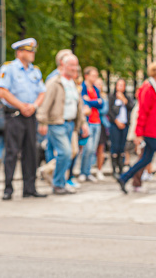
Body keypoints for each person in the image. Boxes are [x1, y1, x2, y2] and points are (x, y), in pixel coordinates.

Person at [116, 62, 156, 195]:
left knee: (146, 159)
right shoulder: (148, 88)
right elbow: (142, 112)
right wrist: (138, 133)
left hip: (154, 128)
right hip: (150, 130)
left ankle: (123, 178)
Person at [0, 38, 47, 200]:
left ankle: (29, 188)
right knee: (11, 152)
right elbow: (3, 92)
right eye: (29, 51)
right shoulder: (9, 68)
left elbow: (42, 92)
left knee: (31, 152)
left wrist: (33, 106)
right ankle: (8, 188)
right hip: (14, 115)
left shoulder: (35, 71)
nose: (32, 54)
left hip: (30, 115)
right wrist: (21, 106)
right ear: (20, 52)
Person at [37, 54, 89, 194]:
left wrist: (83, 123)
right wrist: (42, 122)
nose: (74, 68)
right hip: (57, 123)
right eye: (71, 65)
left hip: (71, 124)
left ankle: (52, 174)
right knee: (64, 152)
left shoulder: (73, 83)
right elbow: (46, 103)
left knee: (72, 152)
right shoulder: (54, 82)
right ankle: (58, 184)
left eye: (76, 65)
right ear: (63, 65)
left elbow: (78, 105)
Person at [79, 66, 103, 183]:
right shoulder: (82, 87)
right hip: (87, 121)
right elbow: (83, 102)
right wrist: (94, 101)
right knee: (87, 148)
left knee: (93, 149)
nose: (95, 78)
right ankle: (83, 172)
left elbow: (100, 104)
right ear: (87, 76)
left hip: (96, 121)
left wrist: (90, 101)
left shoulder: (95, 89)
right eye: (93, 75)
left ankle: (88, 172)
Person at [108, 78, 135, 177]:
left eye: (122, 85)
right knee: (115, 146)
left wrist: (123, 100)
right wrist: (116, 121)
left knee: (122, 147)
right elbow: (110, 112)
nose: (120, 87)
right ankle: (114, 169)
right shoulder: (112, 97)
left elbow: (131, 107)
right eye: (119, 85)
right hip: (115, 124)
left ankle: (121, 167)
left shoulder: (127, 97)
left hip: (125, 124)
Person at [94, 78, 110, 181]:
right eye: (97, 84)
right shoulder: (90, 94)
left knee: (101, 148)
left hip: (101, 124)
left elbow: (104, 110)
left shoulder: (104, 97)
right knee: (89, 148)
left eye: (100, 84)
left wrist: (93, 106)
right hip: (92, 122)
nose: (99, 86)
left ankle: (99, 170)